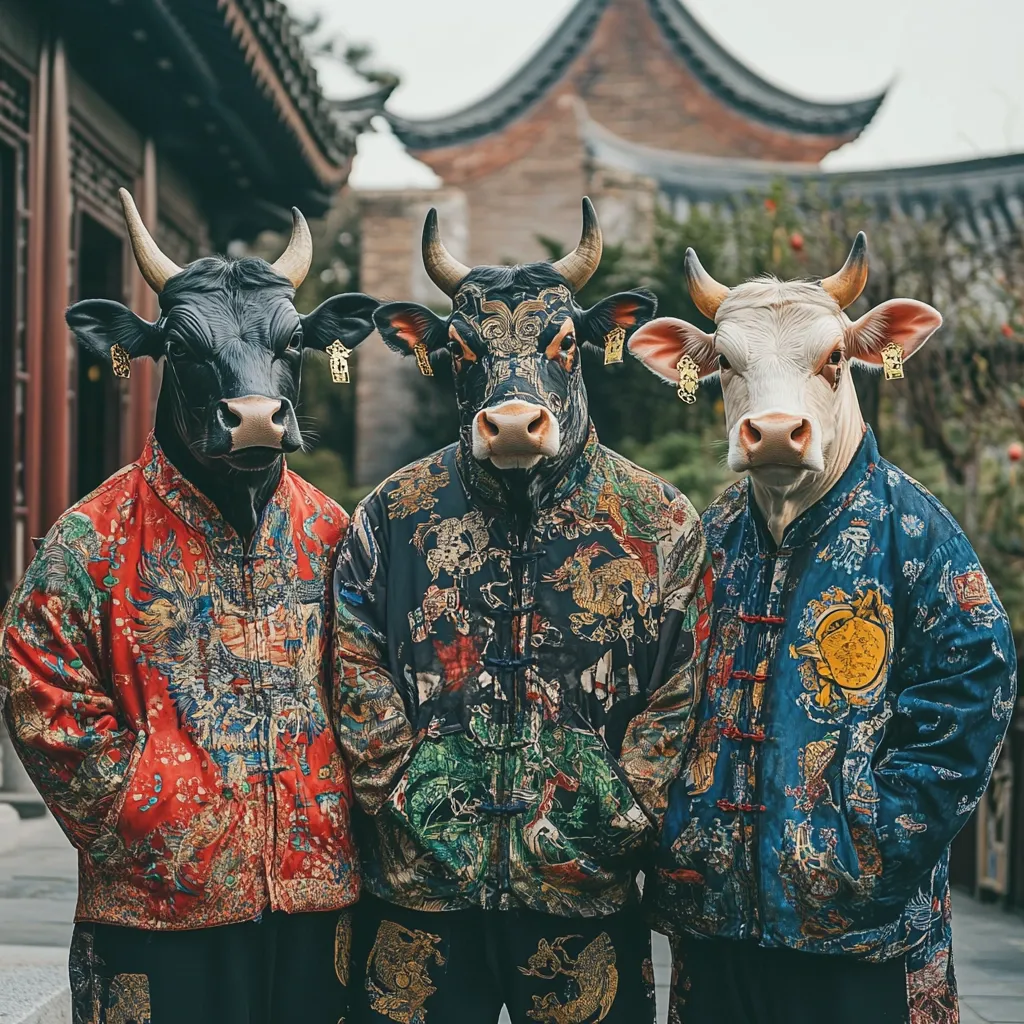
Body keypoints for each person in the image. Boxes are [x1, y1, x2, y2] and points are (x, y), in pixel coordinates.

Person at [0, 190, 378, 1024]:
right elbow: (40, 687)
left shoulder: (332, 533)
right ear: (155, 359)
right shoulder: (91, 538)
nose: (253, 386)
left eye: (279, 354)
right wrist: (144, 811)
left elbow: (373, 685)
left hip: (317, 887)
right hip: (155, 898)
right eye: (206, 356)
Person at [330, 200, 713, 1022]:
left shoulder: (656, 522)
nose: (514, 391)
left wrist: (624, 810)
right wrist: (400, 795)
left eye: (552, 351)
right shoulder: (393, 515)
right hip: (420, 888)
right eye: (475, 358)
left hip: (585, 887)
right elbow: (354, 660)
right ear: (448, 363)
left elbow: (682, 687)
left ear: (583, 353)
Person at [627, 234, 1016, 1023]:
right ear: (700, 371)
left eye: (823, 362)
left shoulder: (915, 534)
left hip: (861, 929)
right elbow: (657, 690)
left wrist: (872, 845)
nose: (777, 411)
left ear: (861, 360)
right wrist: (677, 833)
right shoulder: (707, 539)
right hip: (715, 917)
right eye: (734, 367)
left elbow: (976, 686)